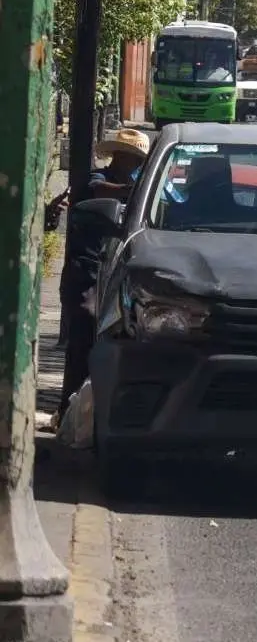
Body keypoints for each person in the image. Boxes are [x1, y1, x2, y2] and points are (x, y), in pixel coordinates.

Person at [48, 127, 152, 429]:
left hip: (120, 271)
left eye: (135, 160)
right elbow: (100, 191)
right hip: (88, 270)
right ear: (117, 157)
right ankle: (66, 409)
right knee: (83, 332)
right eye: (126, 157)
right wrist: (131, 191)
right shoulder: (99, 180)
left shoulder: (141, 190)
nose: (129, 163)